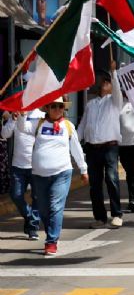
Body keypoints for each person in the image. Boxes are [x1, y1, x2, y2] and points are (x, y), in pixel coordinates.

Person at [31, 97, 88, 255]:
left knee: (56, 207)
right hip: (39, 175)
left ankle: (51, 241)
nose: (58, 109)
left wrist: (83, 169)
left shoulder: (68, 126)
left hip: (62, 173)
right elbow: (23, 129)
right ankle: (53, 231)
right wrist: (20, 116)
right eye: (54, 106)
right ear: (47, 108)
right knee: (43, 209)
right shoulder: (39, 124)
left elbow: (76, 149)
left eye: (60, 106)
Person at [77, 68, 123, 228]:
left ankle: (117, 214)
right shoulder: (90, 104)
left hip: (109, 147)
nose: (103, 84)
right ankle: (100, 217)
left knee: (111, 179)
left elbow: (117, 89)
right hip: (92, 149)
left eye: (107, 82)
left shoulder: (115, 101)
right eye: (103, 81)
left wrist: (114, 72)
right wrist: (74, 141)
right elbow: (83, 125)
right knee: (94, 185)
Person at [2, 109, 44, 239]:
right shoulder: (16, 115)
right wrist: (13, 119)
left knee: (37, 197)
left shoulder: (41, 116)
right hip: (18, 165)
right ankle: (30, 216)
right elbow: (4, 134)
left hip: (36, 164)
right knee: (16, 195)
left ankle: (32, 228)